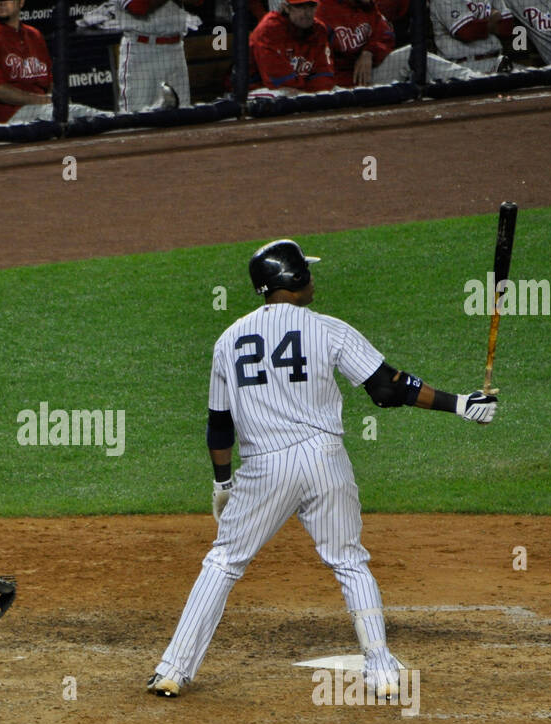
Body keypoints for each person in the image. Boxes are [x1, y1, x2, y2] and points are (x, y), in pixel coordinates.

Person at [146, 240, 499, 699]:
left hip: (263, 469)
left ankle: (174, 668)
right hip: (323, 460)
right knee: (350, 562)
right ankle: (382, 670)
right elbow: (387, 389)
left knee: (223, 562)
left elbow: (219, 426)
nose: (314, 279)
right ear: (293, 280)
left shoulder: (227, 340)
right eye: (307, 273)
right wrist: (461, 405)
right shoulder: (328, 330)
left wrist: (222, 482)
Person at [0, 0, 109, 123]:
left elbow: (51, 81)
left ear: (21, 2)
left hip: (41, 109)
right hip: (8, 115)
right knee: (72, 117)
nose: (1, 3)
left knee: (86, 117)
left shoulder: (34, 35)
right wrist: (44, 101)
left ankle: (118, 121)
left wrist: (59, 101)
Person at [316, 0, 481, 85]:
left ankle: (475, 81)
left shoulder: (367, 6)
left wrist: (369, 52)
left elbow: (386, 35)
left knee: (412, 54)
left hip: (369, 77)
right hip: (335, 87)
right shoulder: (323, 11)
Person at [116, 0, 195, 110]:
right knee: (137, 119)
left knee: (182, 115)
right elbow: (138, 7)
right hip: (142, 50)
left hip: (176, 49)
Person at [249, 0, 335, 95]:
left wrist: (317, 94)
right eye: (300, 6)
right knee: (283, 95)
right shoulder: (269, 30)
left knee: (331, 94)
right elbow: (278, 80)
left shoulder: (319, 30)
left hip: (299, 90)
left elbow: (323, 74)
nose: (306, 12)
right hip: (258, 89)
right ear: (286, 7)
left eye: (311, 6)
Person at [430, 0, 517, 73]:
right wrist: (492, 17)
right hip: (461, 66)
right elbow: (467, 32)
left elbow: (507, 27)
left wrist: (479, 23)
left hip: (497, 61)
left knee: (527, 78)